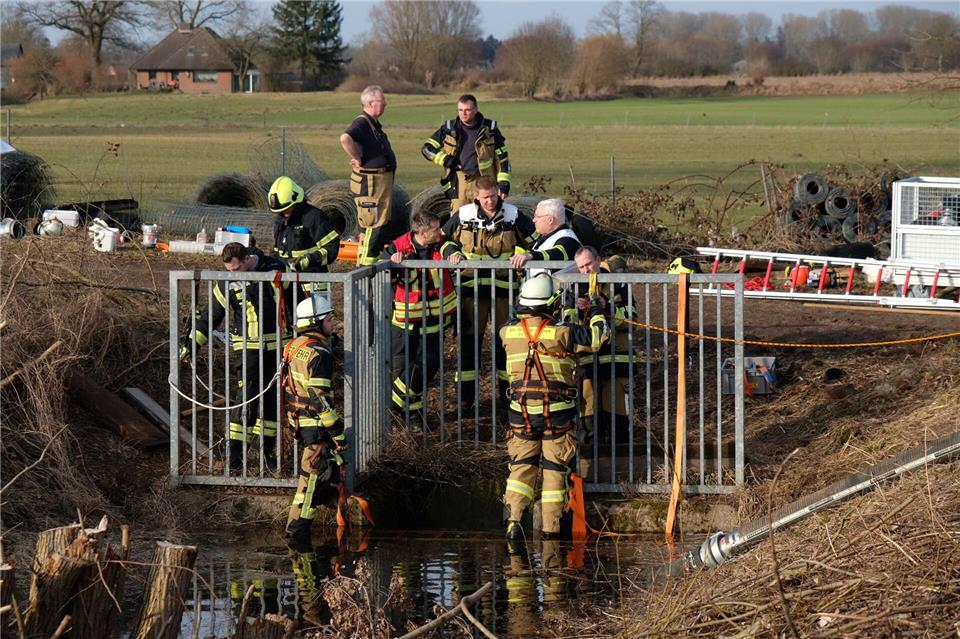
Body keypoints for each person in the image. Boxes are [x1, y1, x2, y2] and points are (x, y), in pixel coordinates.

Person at [499, 274, 608, 540]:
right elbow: (598, 336)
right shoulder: (563, 332)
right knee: (554, 470)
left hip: (521, 413)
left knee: (521, 467)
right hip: (556, 414)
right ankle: (551, 532)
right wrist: (595, 309)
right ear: (550, 304)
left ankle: (513, 522)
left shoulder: (507, 331)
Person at [180, 243, 294, 473]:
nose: (233, 275)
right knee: (245, 400)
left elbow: (297, 301)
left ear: (247, 259)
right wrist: (191, 346)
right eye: (229, 271)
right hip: (248, 350)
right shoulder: (227, 282)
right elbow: (210, 316)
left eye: (236, 269)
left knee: (272, 402)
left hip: (278, 348)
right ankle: (234, 457)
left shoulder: (276, 268)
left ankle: (265, 455)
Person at [441, 176, 537, 410]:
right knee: (468, 345)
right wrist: (452, 252)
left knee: (505, 344)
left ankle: (507, 396)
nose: (490, 201)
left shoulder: (513, 215)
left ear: (498, 193)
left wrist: (526, 254)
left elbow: (536, 240)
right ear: (476, 196)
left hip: (503, 292)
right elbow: (441, 240)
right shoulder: (464, 215)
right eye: (485, 198)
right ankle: (465, 399)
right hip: (470, 292)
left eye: (493, 196)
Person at [385, 210, 457, 425]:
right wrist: (392, 261)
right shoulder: (398, 246)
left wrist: (456, 255)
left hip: (434, 320)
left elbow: (450, 247)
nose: (440, 232)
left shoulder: (441, 242)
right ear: (423, 233)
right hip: (405, 322)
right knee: (404, 368)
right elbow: (382, 266)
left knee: (428, 365)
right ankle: (412, 415)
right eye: (435, 229)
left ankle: (394, 402)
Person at [282, 296, 346, 538]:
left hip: (298, 420)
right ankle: (296, 532)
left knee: (314, 476)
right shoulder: (320, 354)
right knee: (308, 484)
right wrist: (337, 432)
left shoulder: (293, 346)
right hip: (315, 425)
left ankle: (304, 525)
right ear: (316, 323)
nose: (333, 323)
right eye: (329, 319)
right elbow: (320, 399)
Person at [570, 246, 638, 451]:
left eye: (589, 264)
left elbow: (632, 318)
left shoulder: (618, 285)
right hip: (588, 361)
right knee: (588, 417)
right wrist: (578, 310)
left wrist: (607, 307)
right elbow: (566, 326)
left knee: (618, 417)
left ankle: (622, 461)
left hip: (617, 360)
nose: (586, 270)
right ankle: (591, 460)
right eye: (581, 267)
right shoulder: (573, 287)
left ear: (599, 260)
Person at [422, 94, 512, 212]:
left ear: (476, 110)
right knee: (458, 218)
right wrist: (446, 160)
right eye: (460, 110)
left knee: (486, 218)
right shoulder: (449, 129)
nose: (463, 113)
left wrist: (504, 184)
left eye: (467, 110)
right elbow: (427, 149)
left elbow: (503, 158)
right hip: (459, 182)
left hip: (484, 182)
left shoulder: (490, 129)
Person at [340, 85, 397, 266]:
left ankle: (371, 262)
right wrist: (357, 157)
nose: (385, 103)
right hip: (371, 184)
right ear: (371, 103)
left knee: (378, 224)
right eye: (382, 100)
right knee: (373, 224)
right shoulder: (362, 123)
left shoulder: (372, 124)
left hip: (379, 183)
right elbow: (345, 138)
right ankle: (367, 267)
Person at [270, 175, 341, 302]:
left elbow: (331, 248)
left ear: (296, 201)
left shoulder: (314, 217)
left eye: (286, 209)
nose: (284, 213)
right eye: (281, 211)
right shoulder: (280, 220)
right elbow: (278, 251)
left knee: (316, 315)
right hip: (288, 284)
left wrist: (307, 260)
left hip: (313, 283)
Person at [509, 198, 582, 276]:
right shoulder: (550, 237)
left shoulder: (567, 239)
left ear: (550, 220)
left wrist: (531, 255)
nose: (534, 220)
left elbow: (557, 253)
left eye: (537, 216)